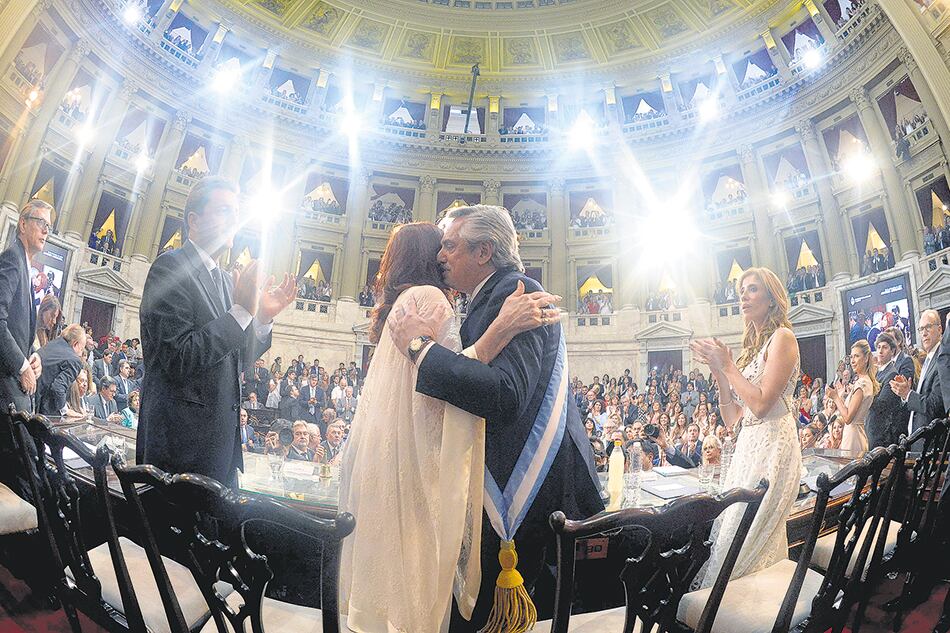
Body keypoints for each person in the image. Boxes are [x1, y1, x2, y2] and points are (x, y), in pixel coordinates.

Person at [340, 220, 577, 633]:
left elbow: (501, 394)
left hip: (504, 493)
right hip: (449, 474)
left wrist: (434, 345)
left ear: (483, 252)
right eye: (440, 248)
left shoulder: (511, 291)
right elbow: (443, 392)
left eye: (450, 246)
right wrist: (497, 329)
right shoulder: (437, 298)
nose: (442, 256)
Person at [136, 177, 297, 485]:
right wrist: (241, 312)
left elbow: (234, 359)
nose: (234, 220)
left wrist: (261, 318)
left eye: (235, 213)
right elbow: (178, 357)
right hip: (180, 450)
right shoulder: (169, 268)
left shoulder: (225, 280)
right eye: (224, 210)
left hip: (221, 451)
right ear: (193, 220)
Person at [689, 266, 802, 588]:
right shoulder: (754, 348)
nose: (744, 295)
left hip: (773, 448)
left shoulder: (783, 337)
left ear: (771, 299)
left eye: (752, 289)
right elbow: (733, 417)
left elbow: (763, 404)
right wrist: (720, 373)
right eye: (742, 290)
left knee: (749, 537)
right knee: (732, 533)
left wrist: (728, 366)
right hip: (748, 448)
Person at [0, 201, 47, 419]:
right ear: (23, 224)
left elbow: (16, 327)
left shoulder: (25, 263)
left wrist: (30, 356)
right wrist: (22, 366)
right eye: (40, 222)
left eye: (49, 226)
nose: (46, 230)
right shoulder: (12, 258)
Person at [891, 309, 945, 435]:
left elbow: (934, 406)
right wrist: (906, 395)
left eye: (928, 327)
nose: (924, 333)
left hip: (932, 443)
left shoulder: (942, 360)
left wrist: (908, 394)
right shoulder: (929, 359)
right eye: (921, 329)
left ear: (940, 329)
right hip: (919, 440)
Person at [827, 340, 876, 455]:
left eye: (857, 356)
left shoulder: (862, 384)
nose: (853, 361)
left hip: (854, 437)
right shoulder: (865, 381)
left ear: (866, 358)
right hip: (855, 434)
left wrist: (835, 397)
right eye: (851, 357)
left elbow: (848, 418)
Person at [867, 332, 912, 449]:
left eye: (885, 347)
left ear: (892, 351)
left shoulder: (892, 374)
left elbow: (882, 406)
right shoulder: (876, 373)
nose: (881, 351)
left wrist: (863, 396)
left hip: (882, 435)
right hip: (872, 429)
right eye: (878, 347)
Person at [35, 324, 86, 416]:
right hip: (40, 407)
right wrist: (65, 410)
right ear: (75, 344)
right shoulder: (74, 360)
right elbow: (58, 387)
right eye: (82, 349)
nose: (81, 354)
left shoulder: (53, 344)